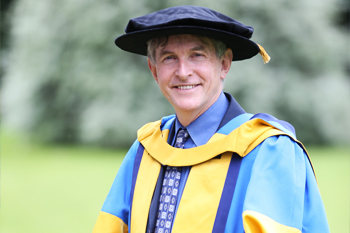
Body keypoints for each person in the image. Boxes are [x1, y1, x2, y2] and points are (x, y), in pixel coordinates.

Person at [93, 5, 330, 233]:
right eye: (168, 58)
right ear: (154, 70)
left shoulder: (269, 151)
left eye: (197, 55)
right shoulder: (145, 148)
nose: (183, 71)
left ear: (224, 64)